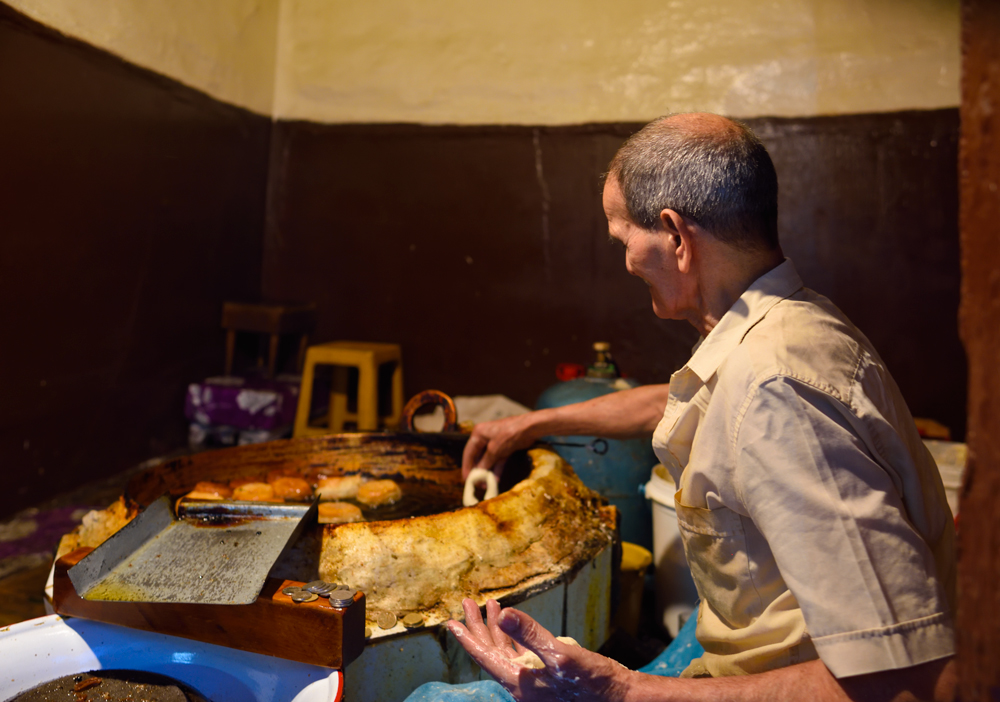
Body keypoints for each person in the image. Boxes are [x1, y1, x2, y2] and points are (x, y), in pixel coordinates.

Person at [447, 113, 957, 701]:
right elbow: (691, 398)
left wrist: (621, 692)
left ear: (676, 237)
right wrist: (533, 423)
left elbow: (902, 680)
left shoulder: (778, 390)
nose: (628, 260)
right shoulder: (778, 323)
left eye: (625, 239)